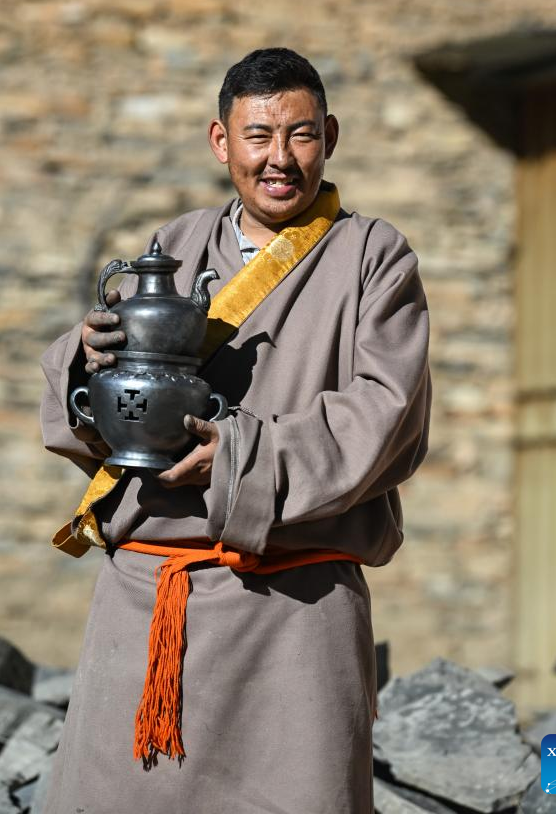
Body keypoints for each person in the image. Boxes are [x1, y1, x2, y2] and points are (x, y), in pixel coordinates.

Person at [39, 47, 431, 814]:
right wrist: (87, 361)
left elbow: (384, 413)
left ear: (332, 136)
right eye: (259, 137)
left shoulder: (372, 257)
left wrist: (240, 455)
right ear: (222, 142)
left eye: (302, 135)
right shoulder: (176, 248)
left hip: (294, 610)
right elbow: (86, 400)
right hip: (148, 600)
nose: (280, 159)